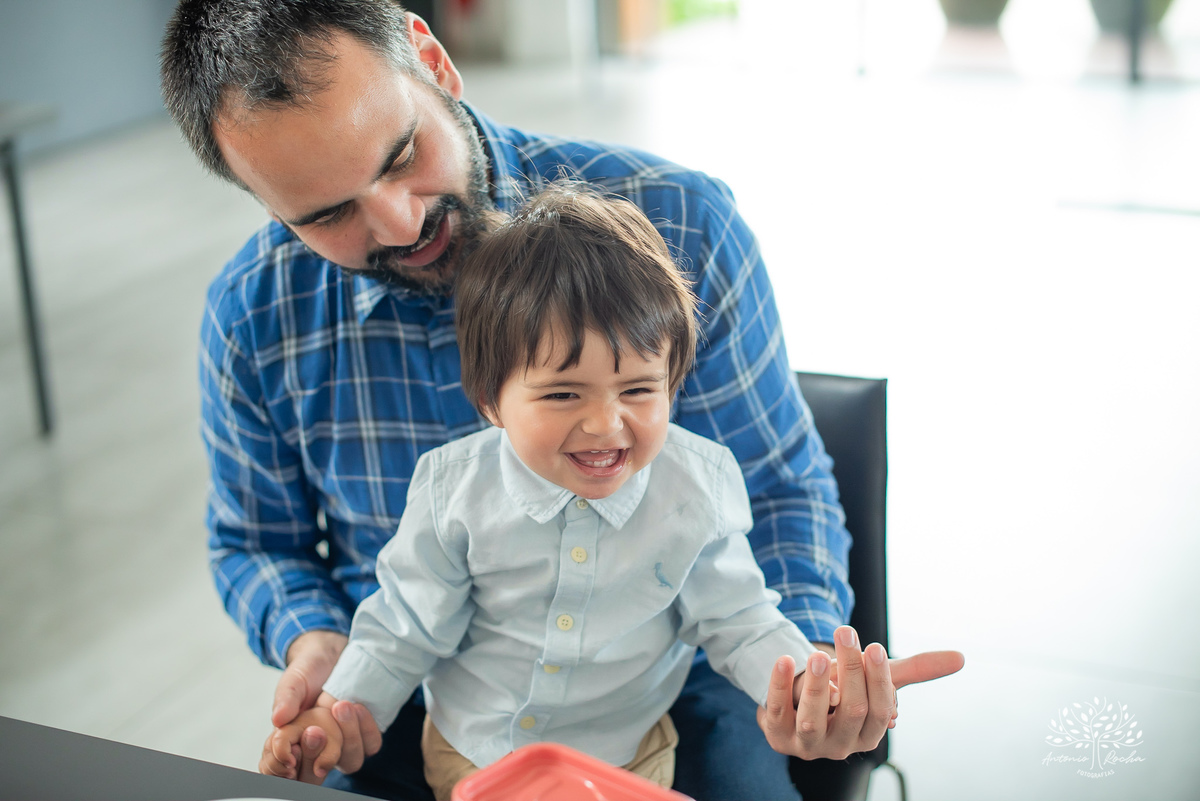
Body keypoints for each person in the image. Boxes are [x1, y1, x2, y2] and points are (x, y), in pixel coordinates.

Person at [159, 2, 964, 798]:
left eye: (402, 156)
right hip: (416, 692)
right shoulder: (253, 316)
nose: (400, 224)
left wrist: (803, 671)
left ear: (433, 64)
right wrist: (318, 644)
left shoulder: (683, 223)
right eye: (329, 213)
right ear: (267, 204)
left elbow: (777, 495)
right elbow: (258, 540)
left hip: (669, 680)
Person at [261, 184, 843, 800]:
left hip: (628, 758)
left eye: (640, 390)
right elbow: (404, 625)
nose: (605, 424)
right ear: (491, 400)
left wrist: (809, 680)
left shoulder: (695, 487)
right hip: (477, 753)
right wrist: (339, 709)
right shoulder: (452, 491)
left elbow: (740, 620)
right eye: (564, 394)